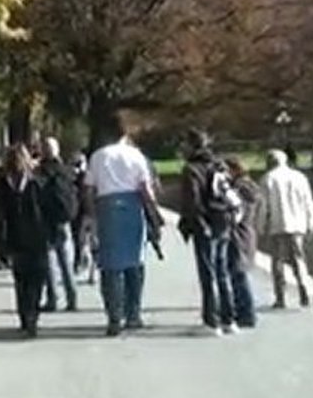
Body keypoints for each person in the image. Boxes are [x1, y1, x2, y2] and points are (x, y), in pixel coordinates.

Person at [84, 112, 163, 336]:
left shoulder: (98, 157)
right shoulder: (136, 155)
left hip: (107, 208)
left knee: (110, 266)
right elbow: (145, 189)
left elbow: (88, 189)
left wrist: (90, 215)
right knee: (135, 263)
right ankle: (133, 313)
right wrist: (154, 214)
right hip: (132, 207)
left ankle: (114, 316)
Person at [178, 129, 239, 336]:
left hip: (205, 224)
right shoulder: (219, 165)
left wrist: (194, 224)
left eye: (184, 144)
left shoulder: (191, 169)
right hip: (223, 221)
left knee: (208, 274)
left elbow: (192, 202)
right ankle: (229, 319)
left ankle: (211, 321)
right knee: (222, 272)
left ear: (191, 145)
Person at [0, 144, 52, 338]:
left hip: (16, 238)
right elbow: (47, 210)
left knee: (22, 279)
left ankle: (26, 315)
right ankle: (31, 314)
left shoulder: (3, 182)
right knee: (35, 278)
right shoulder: (37, 181)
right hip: (36, 237)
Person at [259, 149, 313, 309]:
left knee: (277, 262)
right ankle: (304, 288)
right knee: (299, 259)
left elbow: (264, 207)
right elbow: (309, 203)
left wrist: (260, 227)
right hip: (298, 225)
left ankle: (280, 297)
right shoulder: (300, 177)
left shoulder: (267, 179)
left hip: (277, 225)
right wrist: (310, 223)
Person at [36, 137, 79, 312]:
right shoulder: (66, 171)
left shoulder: (40, 172)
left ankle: (53, 298)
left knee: (49, 262)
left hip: (46, 221)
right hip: (64, 221)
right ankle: (72, 297)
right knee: (66, 261)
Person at [224, 157, 263, 328]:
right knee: (239, 273)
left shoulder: (239, 189)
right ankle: (244, 311)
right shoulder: (251, 187)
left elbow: (237, 213)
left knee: (239, 274)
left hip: (238, 234)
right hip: (248, 232)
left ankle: (246, 313)